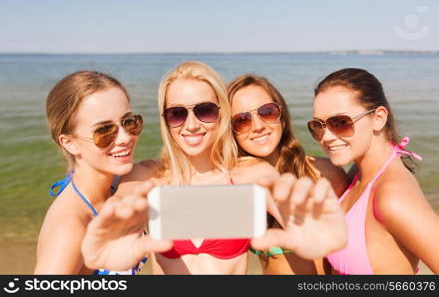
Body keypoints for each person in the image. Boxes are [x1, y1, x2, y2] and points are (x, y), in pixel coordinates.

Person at [81, 61, 348, 274]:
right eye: (177, 113)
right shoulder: (147, 176)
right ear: (165, 120)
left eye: (205, 110)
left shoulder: (248, 173)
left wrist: (308, 227)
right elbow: (117, 207)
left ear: (221, 114)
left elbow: (282, 202)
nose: (192, 124)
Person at [34, 71, 169, 274]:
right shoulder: (70, 229)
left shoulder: (117, 183)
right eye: (104, 131)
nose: (125, 138)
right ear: (70, 143)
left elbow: (158, 166)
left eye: (128, 122)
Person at [309, 68, 439, 274]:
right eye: (318, 126)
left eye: (340, 123)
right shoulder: (359, 172)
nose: (326, 137)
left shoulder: (392, 197)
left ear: (378, 118)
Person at [227, 74, 350, 274]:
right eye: (242, 120)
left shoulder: (325, 173)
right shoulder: (238, 181)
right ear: (230, 130)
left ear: (281, 117)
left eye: (267, 112)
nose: (258, 126)